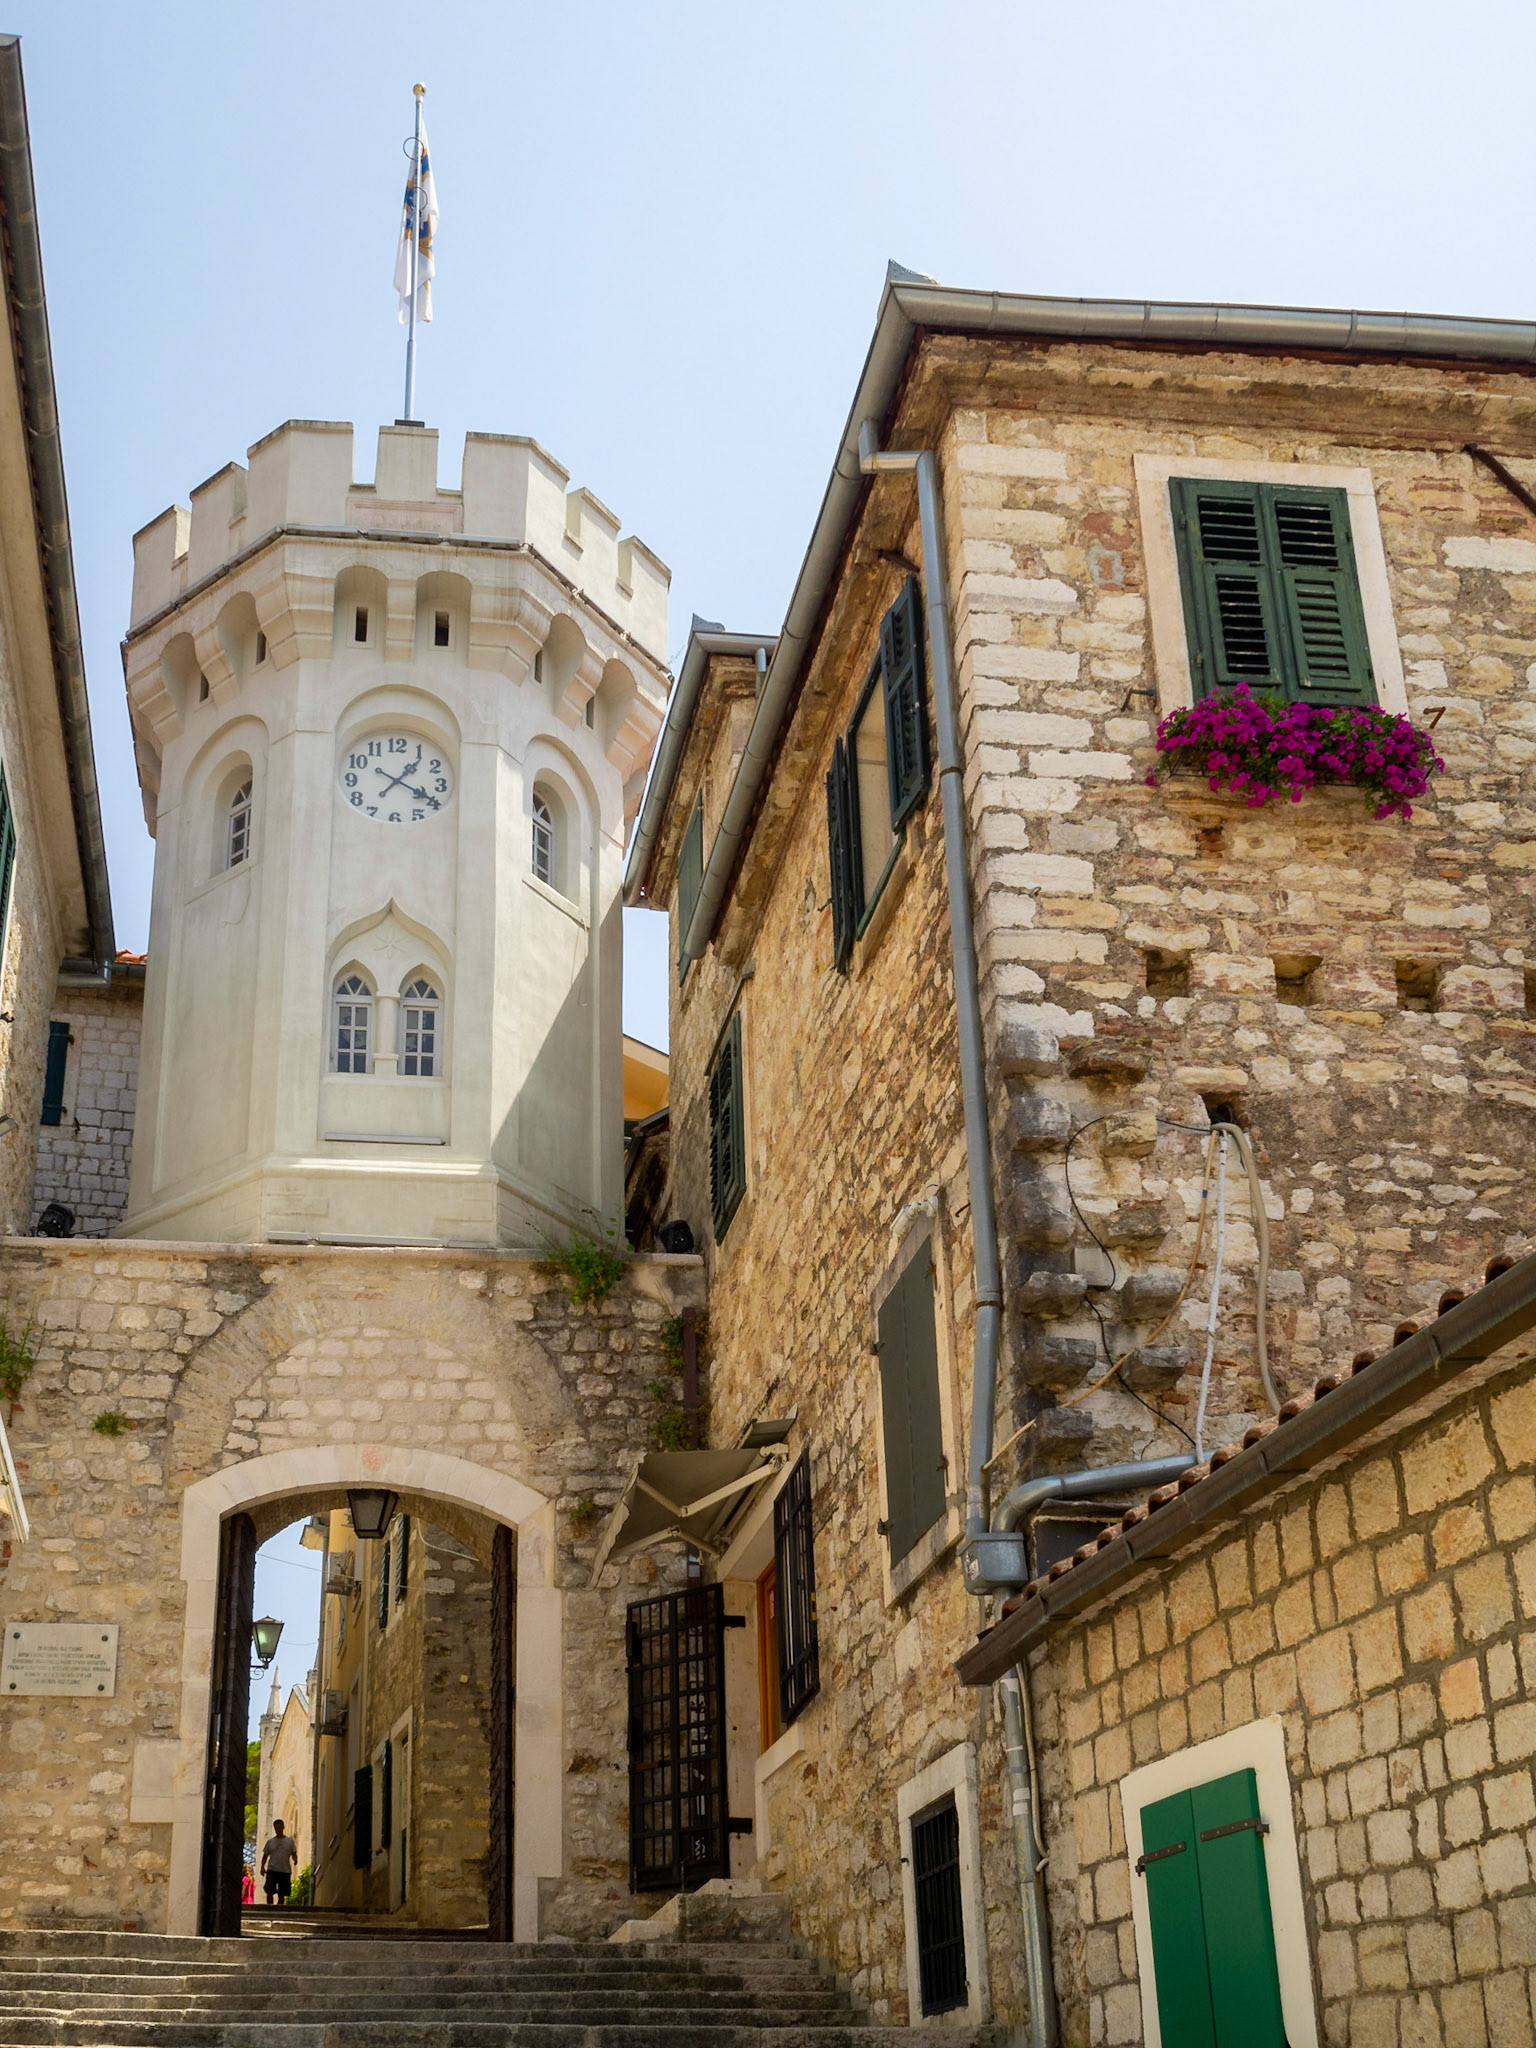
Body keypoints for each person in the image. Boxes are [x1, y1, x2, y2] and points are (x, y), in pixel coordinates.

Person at [259, 1817, 299, 1906]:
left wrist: (295, 1859)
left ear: (283, 1827)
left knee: (282, 1893)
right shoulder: (270, 1842)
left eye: (280, 1828)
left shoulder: (289, 1841)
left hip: (285, 1870)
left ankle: (279, 1908)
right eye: (276, 1828)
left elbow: (293, 1853)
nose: (278, 1830)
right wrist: (262, 1867)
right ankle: (269, 1908)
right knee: (269, 1891)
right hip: (272, 1869)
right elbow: (265, 1856)